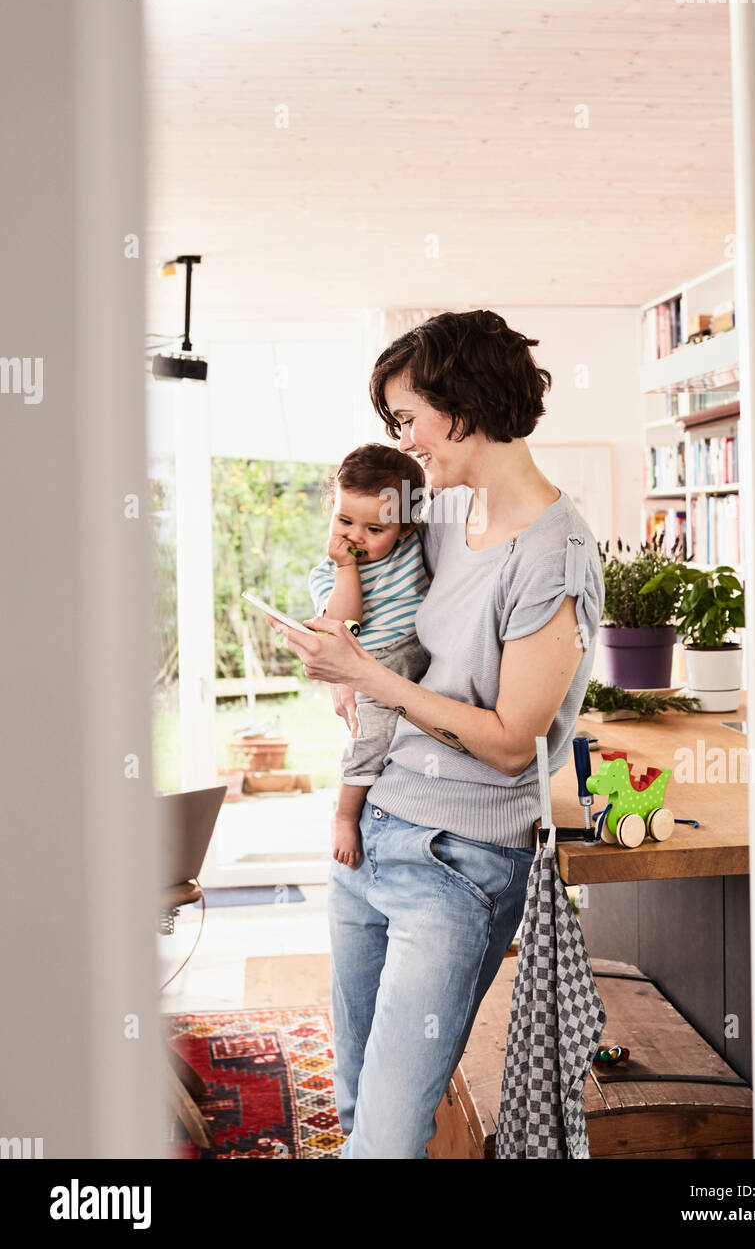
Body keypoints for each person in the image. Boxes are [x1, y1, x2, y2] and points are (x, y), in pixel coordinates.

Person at [270, 309, 605, 1159]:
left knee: (386, 1136)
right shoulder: (443, 515)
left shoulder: (553, 553)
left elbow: (510, 741)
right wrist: (340, 653)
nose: (405, 440)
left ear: (464, 402)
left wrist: (370, 680)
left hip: (457, 867)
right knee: (354, 1112)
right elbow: (379, 617)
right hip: (374, 832)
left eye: (409, 417)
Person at [308, 443, 431, 868]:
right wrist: (346, 569)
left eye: (374, 530)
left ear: (405, 529)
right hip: (373, 663)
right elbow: (344, 624)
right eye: (344, 520)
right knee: (372, 739)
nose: (355, 537)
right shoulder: (327, 573)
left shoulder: (415, 546)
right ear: (331, 507)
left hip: (424, 655)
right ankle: (345, 814)